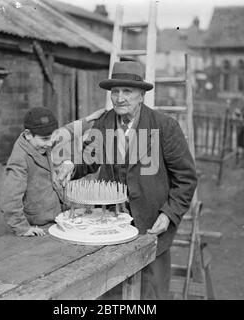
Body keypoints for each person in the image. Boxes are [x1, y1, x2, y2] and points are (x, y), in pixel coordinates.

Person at [57, 61, 198, 300]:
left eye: (127, 91)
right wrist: (71, 165)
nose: (119, 98)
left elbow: (186, 179)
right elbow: (89, 160)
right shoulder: (104, 123)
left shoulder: (165, 127)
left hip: (151, 226)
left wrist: (169, 214)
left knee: (151, 295)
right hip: (111, 225)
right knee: (111, 291)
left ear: (141, 95)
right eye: (115, 92)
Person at [0, 107, 105, 237]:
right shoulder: (20, 159)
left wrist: (89, 119)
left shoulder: (42, 140)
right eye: (45, 139)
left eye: (52, 138)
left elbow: (67, 131)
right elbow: (10, 199)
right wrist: (22, 228)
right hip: (38, 225)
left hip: (55, 217)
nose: (50, 143)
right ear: (28, 134)